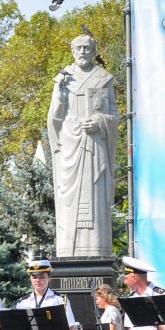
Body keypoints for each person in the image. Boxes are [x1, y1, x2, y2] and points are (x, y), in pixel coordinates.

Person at [47, 34, 118, 258]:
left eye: (87, 48)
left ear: (94, 50)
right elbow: (54, 118)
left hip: (95, 149)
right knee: (67, 197)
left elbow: (114, 116)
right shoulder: (64, 78)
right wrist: (58, 92)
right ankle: (68, 250)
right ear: (72, 51)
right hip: (70, 147)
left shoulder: (104, 78)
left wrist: (99, 122)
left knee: (95, 200)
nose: (82, 52)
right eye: (78, 48)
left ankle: (96, 248)